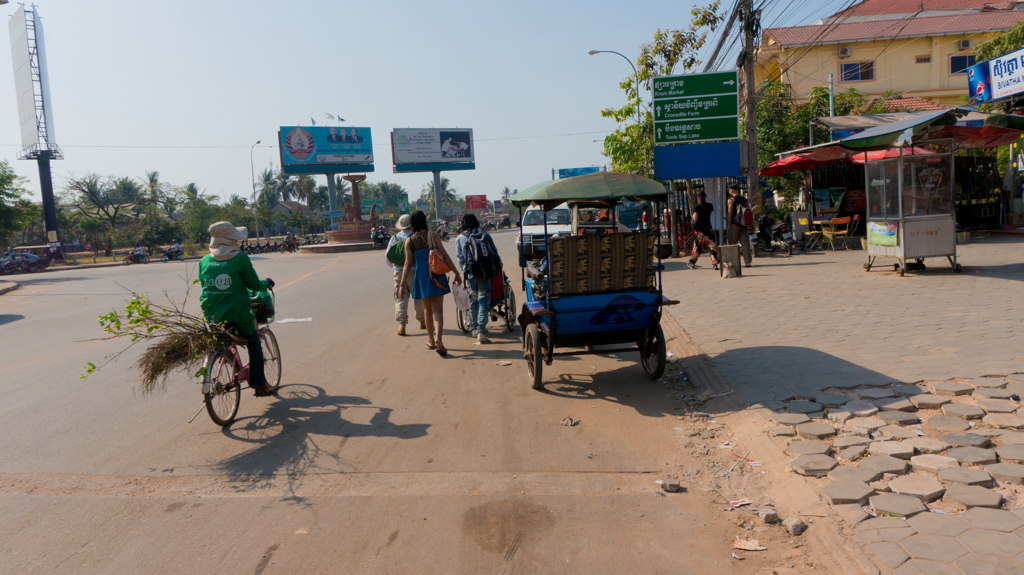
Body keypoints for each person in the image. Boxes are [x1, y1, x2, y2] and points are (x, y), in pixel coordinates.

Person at [198, 222, 276, 396]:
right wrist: (267, 282)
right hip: (238, 315)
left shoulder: (204, 261)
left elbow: (205, 285)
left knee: (223, 337)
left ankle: (225, 356)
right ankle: (259, 385)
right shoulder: (240, 258)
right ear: (230, 240)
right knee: (254, 343)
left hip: (212, 316)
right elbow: (254, 284)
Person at [398, 211, 461, 356]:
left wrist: (402, 285)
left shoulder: (409, 241)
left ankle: (431, 341)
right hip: (436, 274)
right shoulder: (432, 235)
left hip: (421, 277)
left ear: (412, 224)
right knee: (438, 310)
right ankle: (439, 339)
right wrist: (456, 273)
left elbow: (407, 264)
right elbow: (445, 255)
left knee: (427, 310)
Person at [456, 213, 501, 343]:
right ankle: (481, 330)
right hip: (485, 272)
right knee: (483, 299)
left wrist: (466, 270)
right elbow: (494, 252)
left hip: (471, 274)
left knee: (473, 300)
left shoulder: (460, 238)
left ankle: (474, 328)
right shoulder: (485, 234)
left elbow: (461, 258)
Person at [387, 214, 425, 336]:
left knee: (401, 298)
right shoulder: (415, 237)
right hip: (415, 271)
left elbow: (388, 259)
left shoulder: (394, 238)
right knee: (418, 297)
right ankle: (422, 320)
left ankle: (402, 324)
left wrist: (396, 266)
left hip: (399, 272)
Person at [688, 191, 718, 270]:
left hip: (699, 231)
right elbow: (709, 215)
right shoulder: (710, 206)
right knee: (712, 246)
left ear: (698, 198)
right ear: (705, 197)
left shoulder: (697, 207)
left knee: (698, 247)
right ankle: (714, 262)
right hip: (708, 229)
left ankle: (692, 263)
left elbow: (695, 218)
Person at [726, 184, 753, 268]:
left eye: (730, 190)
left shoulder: (731, 200)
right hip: (744, 225)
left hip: (734, 224)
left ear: (732, 190)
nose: (729, 191)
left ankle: (732, 262)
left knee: (731, 244)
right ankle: (748, 262)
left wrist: (729, 224)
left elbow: (730, 213)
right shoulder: (744, 199)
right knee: (745, 244)